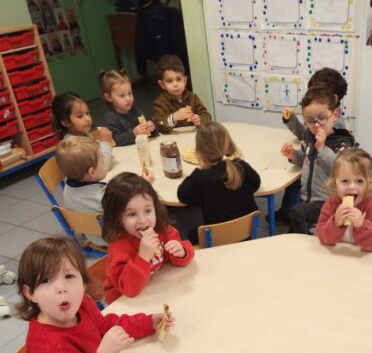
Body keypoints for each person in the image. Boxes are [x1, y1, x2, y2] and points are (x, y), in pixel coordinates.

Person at [17, 236, 165, 353]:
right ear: (30, 293)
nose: (62, 288)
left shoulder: (81, 304)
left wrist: (147, 323)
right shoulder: (49, 349)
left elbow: (103, 325)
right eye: (46, 280)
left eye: (69, 276)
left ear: (83, 282)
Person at [102, 172, 194, 302]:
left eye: (147, 211)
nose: (143, 220)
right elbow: (130, 289)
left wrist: (182, 252)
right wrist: (143, 257)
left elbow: (185, 255)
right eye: (132, 214)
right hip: (124, 302)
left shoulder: (163, 230)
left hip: (156, 288)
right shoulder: (119, 248)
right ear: (117, 218)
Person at [278, 68, 349, 228]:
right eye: (309, 121)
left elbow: (341, 170)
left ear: (334, 112)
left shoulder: (340, 138)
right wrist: (294, 156)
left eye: (322, 118)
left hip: (328, 201)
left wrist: (322, 148)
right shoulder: (313, 131)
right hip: (309, 198)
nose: (316, 125)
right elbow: (308, 157)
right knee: (299, 221)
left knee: (297, 215)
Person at [177, 122, 261, 241]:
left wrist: (199, 170)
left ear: (200, 152)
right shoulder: (242, 167)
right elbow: (256, 183)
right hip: (247, 235)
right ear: (229, 144)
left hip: (216, 241)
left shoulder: (201, 177)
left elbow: (183, 195)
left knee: (191, 235)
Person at [316, 149, 372, 252]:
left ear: (369, 182)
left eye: (359, 181)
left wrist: (361, 226)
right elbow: (322, 237)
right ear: (335, 182)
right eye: (345, 181)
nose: (352, 187)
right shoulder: (331, 204)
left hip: (360, 258)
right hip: (334, 255)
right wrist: (335, 222)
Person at [55, 137, 108, 248]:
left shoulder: (69, 188)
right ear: (92, 172)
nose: (105, 163)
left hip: (92, 235)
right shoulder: (101, 198)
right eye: (103, 161)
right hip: (110, 238)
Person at [52, 91, 114, 171]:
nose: (87, 119)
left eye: (87, 113)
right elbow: (102, 168)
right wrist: (105, 143)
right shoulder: (73, 147)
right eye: (80, 116)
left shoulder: (84, 134)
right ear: (66, 123)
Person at [152, 54, 212, 134]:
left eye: (178, 79)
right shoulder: (159, 103)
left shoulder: (192, 97)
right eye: (169, 81)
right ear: (162, 84)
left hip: (193, 135)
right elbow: (159, 125)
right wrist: (174, 117)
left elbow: (206, 115)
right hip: (173, 138)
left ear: (185, 80)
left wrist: (200, 119)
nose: (175, 84)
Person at [100, 69, 156, 146]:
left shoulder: (136, 111)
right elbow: (115, 140)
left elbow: (148, 131)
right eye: (122, 96)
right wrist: (133, 134)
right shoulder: (110, 118)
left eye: (129, 93)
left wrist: (152, 128)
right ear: (109, 97)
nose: (128, 99)